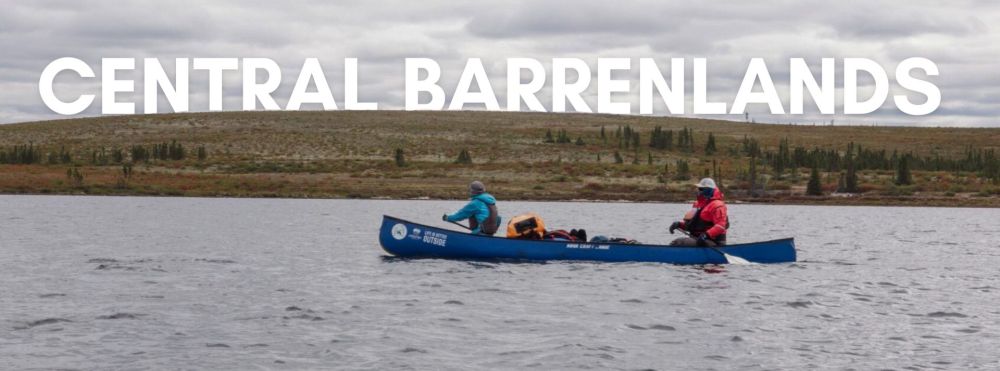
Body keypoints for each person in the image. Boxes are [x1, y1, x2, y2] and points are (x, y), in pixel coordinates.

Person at [668, 178, 729, 246]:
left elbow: (720, 226)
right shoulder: (697, 204)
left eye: (701, 189)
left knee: (679, 242)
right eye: (698, 188)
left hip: (714, 242)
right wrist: (679, 224)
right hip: (697, 239)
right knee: (679, 242)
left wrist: (706, 235)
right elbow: (694, 224)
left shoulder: (718, 205)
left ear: (708, 190)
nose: (698, 191)